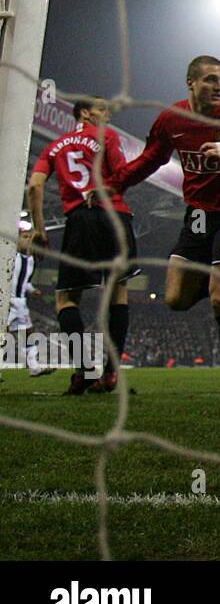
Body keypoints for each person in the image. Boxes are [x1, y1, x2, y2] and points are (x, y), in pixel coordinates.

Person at [113, 56, 220, 407]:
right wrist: (113, 185)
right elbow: (152, 158)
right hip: (197, 217)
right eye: (209, 79)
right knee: (175, 300)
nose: (218, 86)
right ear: (190, 82)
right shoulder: (171, 119)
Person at [27, 97, 139, 394]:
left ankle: (85, 370)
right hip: (116, 215)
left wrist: (40, 230)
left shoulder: (54, 146)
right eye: (101, 109)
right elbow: (122, 175)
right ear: (84, 113)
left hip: (81, 219)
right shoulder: (108, 136)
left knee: (66, 299)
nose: (107, 114)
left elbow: (35, 186)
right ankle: (112, 373)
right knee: (118, 292)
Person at [4, 220, 53, 377]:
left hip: (20, 303)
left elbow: (23, 282)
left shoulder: (30, 260)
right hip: (8, 303)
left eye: (29, 237)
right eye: (24, 237)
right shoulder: (10, 257)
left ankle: (34, 367)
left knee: (28, 334)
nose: (27, 240)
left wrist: (32, 290)